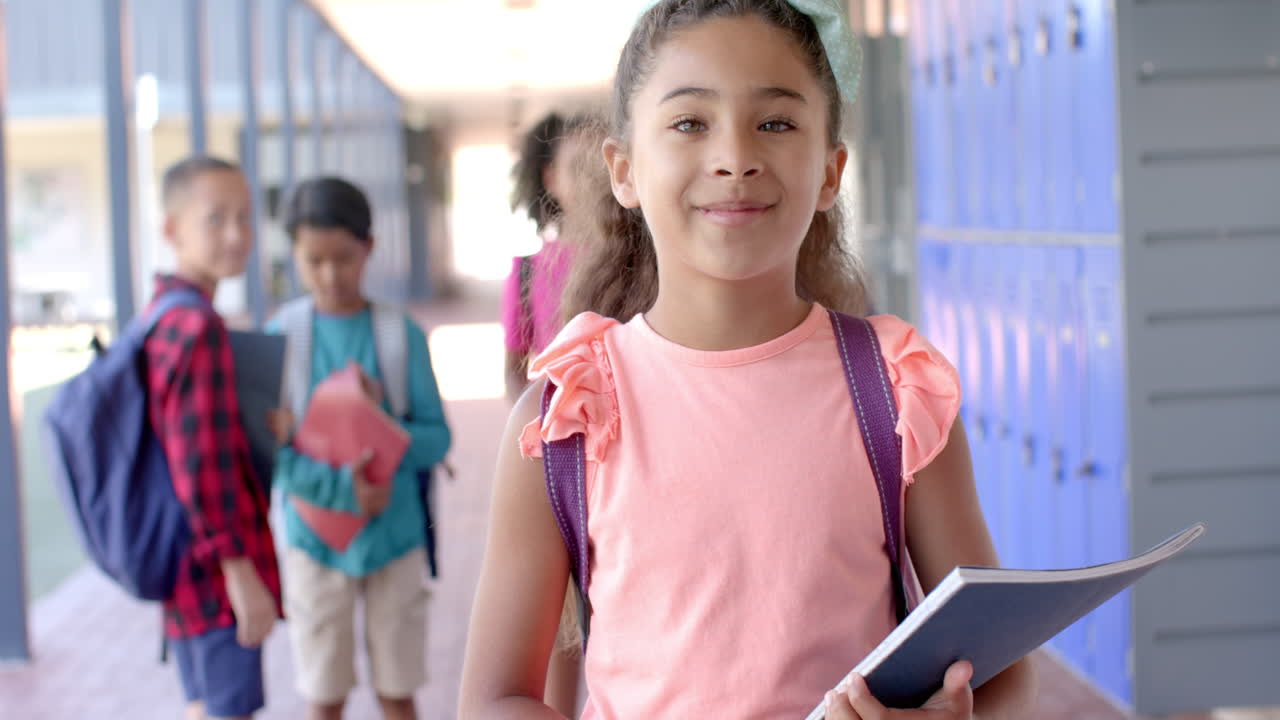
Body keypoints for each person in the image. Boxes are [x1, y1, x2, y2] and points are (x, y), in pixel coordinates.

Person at [459, 1, 1037, 718]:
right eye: (689, 123)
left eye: (776, 123)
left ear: (831, 173)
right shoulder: (566, 418)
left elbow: (1004, 675)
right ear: (624, 169)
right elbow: (495, 698)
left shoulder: (898, 396)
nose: (735, 156)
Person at [266, 177, 452, 720]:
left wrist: (382, 423)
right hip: (313, 543)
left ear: (368, 248)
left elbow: (437, 438)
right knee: (323, 696)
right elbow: (273, 456)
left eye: (343, 258)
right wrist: (343, 489)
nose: (330, 275)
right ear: (294, 256)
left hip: (394, 541)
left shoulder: (400, 335)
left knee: (398, 691)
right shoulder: (282, 336)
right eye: (313, 260)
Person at [145, 155, 282, 720]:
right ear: (172, 229)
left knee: (206, 705)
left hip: (185, 563)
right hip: (214, 573)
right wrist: (239, 572)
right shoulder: (197, 326)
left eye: (245, 218)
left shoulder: (163, 313)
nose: (236, 234)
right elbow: (201, 467)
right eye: (216, 219)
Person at [502, 111, 595, 404]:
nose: (594, 181)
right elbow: (513, 370)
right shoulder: (527, 270)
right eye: (580, 168)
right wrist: (537, 433)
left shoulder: (641, 261)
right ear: (551, 178)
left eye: (602, 167)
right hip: (563, 440)